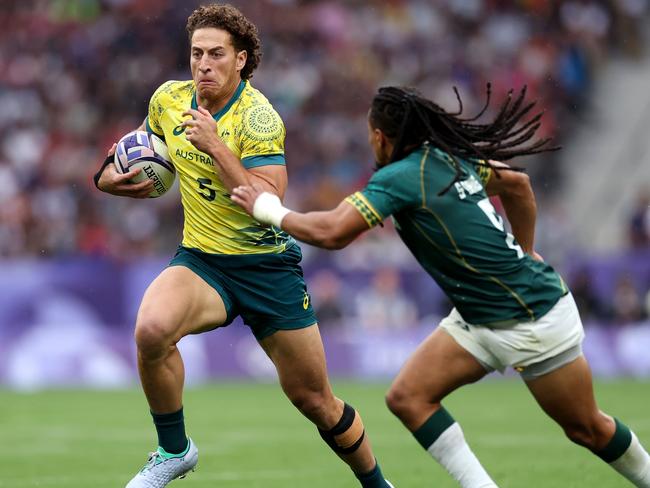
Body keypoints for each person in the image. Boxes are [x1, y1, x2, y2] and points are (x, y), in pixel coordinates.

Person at [232, 85, 650, 487]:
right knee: (409, 397)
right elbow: (518, 184)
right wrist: (527, 249)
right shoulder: (449, 158)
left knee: (587, 428)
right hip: (479, 315)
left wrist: (267, 207)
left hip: (530, 315)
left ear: (380, 136)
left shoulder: (400, 177)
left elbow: (333, 232)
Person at [94, 4, 393, 488]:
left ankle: (378, 484)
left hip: (267, 267)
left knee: (316, 401)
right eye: (196, 54)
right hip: (203, 261)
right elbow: (130, 155)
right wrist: (108, 179)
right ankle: (174, 451)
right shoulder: (168, 100)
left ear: (242, 60)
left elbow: (269, 197)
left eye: (216, 54)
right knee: (151, 330)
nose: (203, 64)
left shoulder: (258, 118)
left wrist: (215, 145)